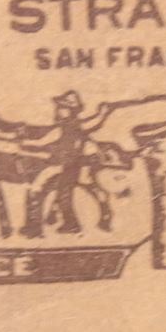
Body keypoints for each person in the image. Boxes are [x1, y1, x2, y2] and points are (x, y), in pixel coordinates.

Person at [19, 90, 113, 234]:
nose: (59, 111)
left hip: (65, 166)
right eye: (59, 107)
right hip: (63, 165)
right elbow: (42, 142)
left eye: (63, 108)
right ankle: (58, 223)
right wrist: (102, 113)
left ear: (71, 111)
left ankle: (38, 226)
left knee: (43, 190)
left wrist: (23, 142)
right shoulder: (70, 127)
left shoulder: (69, 128)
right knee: (52, 192)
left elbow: (41, 142)